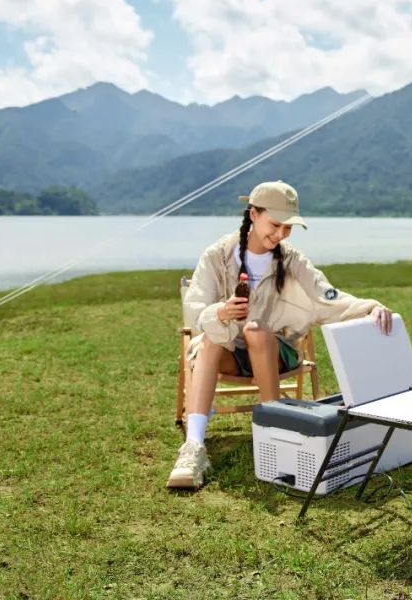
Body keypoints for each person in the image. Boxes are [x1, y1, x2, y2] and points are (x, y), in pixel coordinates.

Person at [167, 180, 393, 489]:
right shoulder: (217, 256)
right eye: (275, 225)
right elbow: (194, 310)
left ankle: (275, 434)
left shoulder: (292, 259)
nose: (281, 234)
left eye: (288, 228)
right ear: (253, 214)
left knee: (256, 331)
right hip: (228, 351)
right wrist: (220, 312)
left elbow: (327, 295)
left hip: (276, 353)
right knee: (209, 340)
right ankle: (194, 448)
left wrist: (369, 307)